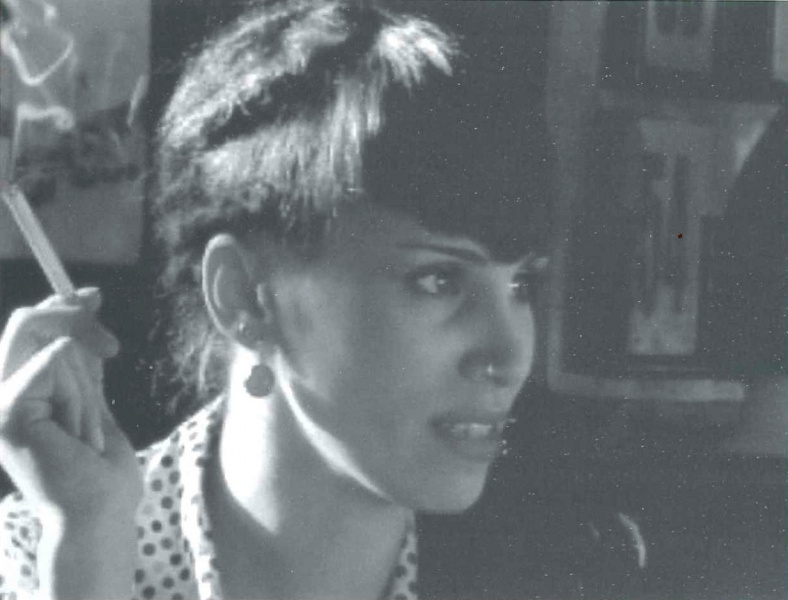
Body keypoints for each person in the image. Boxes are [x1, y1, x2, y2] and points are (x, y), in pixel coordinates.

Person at [0, 2, 638, 599]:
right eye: (439, 280)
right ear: (245, 296)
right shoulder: (38, 559)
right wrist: (84, 558)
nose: (508, 356)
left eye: (522, 285)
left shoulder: (574, 569)